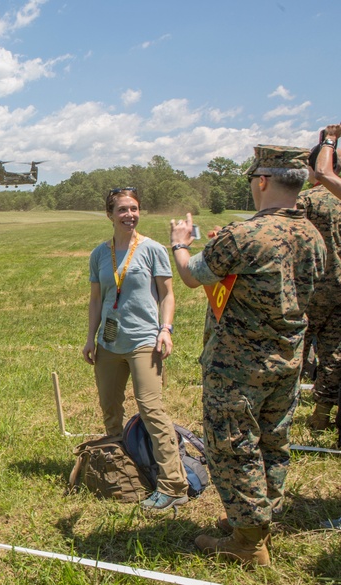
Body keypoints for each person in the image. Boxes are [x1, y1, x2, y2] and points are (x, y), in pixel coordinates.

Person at [169, 145, 326, 566]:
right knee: (272, 442)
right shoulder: (313, 234)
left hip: (239, 365)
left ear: (261, 181)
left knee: (232, 446)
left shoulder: (246, 235)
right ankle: (253, 520)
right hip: (288, 358)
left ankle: (248, 543)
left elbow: (189, 275)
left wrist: (180, 243)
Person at [82, 187, 189, 514]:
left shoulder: (153, 249)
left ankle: (174, 485)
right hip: (109, 344)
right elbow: (97, 299)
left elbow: (167, 295)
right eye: (122, 210)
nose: (129, 215)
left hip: (145, 341)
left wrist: (165, 330)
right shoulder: (100, 254)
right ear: (109, 214)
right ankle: (122, 469)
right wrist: (90, 338)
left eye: (134, 208)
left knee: (151, 409)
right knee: (110, 408)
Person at [298, 139, 341, 433]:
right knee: (334, 352)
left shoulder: (308, 201)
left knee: (295, 349)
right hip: (340, 290)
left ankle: (280, 410)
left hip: (310, 289)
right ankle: (321, 415)